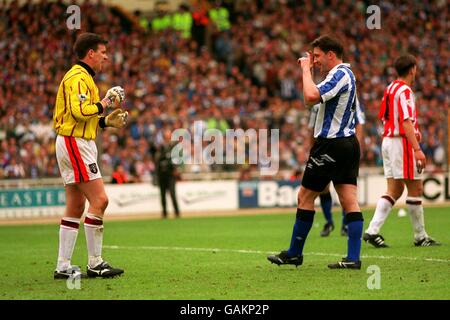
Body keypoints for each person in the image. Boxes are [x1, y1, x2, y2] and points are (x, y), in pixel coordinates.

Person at [268, 35, 364, 269]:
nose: (314, 60)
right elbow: (309, 100)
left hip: (332, 144)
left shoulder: (340, 74)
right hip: (346, 144)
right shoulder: (340, 76)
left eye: (318, 55)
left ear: (331, 54)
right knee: (349, 199)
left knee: (305, 196)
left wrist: (304, 70)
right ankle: (352, 259)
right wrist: (309, 73)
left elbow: (310, 97)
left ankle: (294, 253)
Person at [53, 33, 128, 279]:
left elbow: (86, 117)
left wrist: (106, 122)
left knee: (76, 205)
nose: (106, 57)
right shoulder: (77, 77)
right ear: (91, 53)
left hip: (75, 141)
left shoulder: (83, 78)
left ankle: (63, 266)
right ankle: (95, 263)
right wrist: (106, 102)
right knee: (101, 200)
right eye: (103, 52)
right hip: (75, 143)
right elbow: (78, 112)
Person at [363, 54, 440, 248]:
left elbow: (384, 116)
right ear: (412, 69)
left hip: (388, 141)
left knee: (395, 189)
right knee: (416, 188)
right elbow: (406, 122)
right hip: (401, 143)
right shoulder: (405, 91)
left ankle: (372, 231)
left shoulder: (390, 88)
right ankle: (420, 236)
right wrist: (417, 148)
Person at [308, 98, 366, 237]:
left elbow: (359, 124)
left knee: (345, 191)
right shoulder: (319, 98)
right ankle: (329, 222)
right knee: (323, 188)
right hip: (323, 147)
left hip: (344, 147)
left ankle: (345, 224)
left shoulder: (351, 97)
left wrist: (356, 147)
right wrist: (313, 149)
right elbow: (312, 128)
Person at [154, 129, 181, 219]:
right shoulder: (161, 147)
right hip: (162, 174)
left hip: (171, 174)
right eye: (166, 135)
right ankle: (164, 213)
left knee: (173, 194)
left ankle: (177, 212)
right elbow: (157, 160)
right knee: (163, 195)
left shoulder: (173, 147)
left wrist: (175, 169)